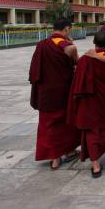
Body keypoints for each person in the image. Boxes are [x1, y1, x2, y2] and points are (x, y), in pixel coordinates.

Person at [67, 30, 105, 178]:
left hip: (89, 100)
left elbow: (79, 79)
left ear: (94, 43)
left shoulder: (85, 59)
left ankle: (95, 164)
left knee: (92, 130)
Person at [29, 19, 80, 170]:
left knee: (48, 124)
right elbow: (77, 61)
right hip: (63, 90)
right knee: (67, 121)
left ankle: (55, 157)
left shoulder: (42, 45)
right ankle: (68, 150)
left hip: (46, 92)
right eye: (69, 30)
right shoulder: (67, 46)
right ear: (66, 29)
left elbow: (34, 70)